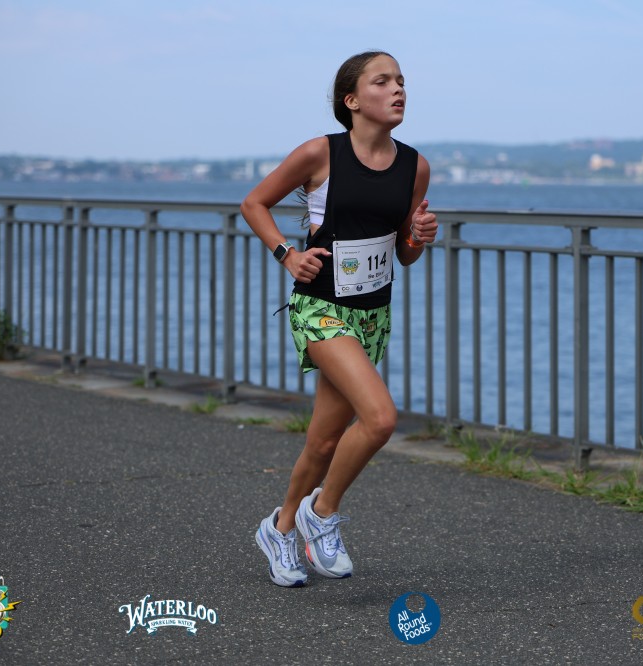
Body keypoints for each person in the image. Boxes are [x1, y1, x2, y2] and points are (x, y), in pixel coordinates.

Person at [241, 51, 437, 587]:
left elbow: (405, 254)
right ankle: (321, 513)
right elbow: (254, 203)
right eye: (383, 81)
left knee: (325, 443)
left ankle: (280, 529)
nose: (398, 89)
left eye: (401, 81)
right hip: (321, 309)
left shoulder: (415, 166)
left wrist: (420, 235)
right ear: (351, 100)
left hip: (372, 316)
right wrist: (287, 254)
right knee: (380, 419)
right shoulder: (320, 153)